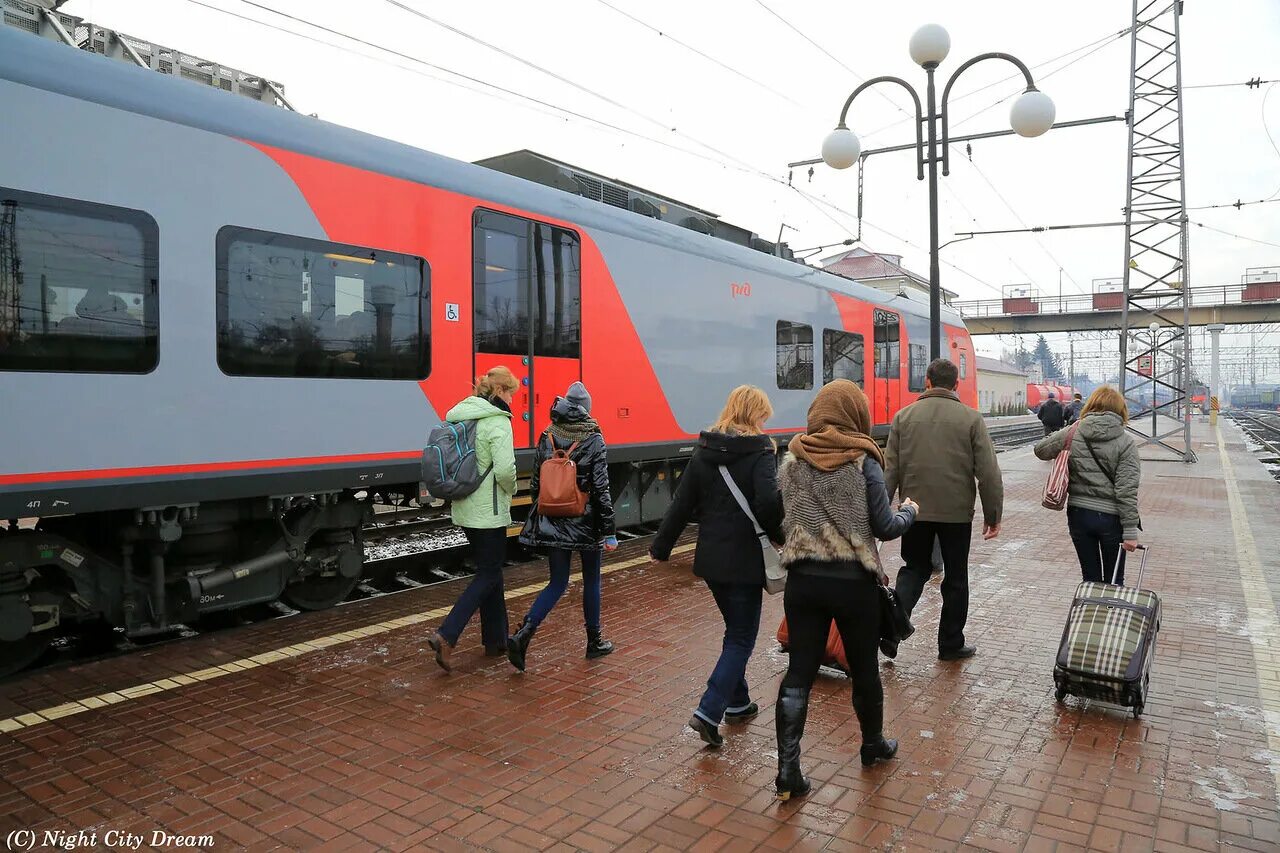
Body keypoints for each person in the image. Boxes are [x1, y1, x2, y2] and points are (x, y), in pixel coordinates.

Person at [773, 380, 917, 801]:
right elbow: (885, 527)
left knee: (799, 671)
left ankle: (787, 772)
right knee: (864, 668)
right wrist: (908, 512)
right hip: (852, 584)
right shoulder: (863, 460)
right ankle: (872, 745)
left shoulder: (794, 459)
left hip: (803, 583)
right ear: (856, 413)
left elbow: (782, 515)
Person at [650, 385, 782, 749]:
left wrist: (661, 547)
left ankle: (738, 704)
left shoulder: (704, 450)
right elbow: (769, 503)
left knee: (734, 632)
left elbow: (681, 503)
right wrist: (781, 535)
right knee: (741, 638)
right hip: (745, 561)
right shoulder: (761, 452)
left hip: (711, 561)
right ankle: (708, 712)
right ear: (755, 415)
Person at [885, 358, 1003, 662]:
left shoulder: (903, 418)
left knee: (914, 569)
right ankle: (950, 644)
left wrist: (881, 512)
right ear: (956, 385)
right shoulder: (971, 419)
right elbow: (988, 473)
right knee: (956, 577)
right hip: (956, 514)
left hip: (914, 511)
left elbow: (890, 470)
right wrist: (993, 515)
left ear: (927, 381)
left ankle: (892, 631)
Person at [509, 382, 619, 671]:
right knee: (591, 580)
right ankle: (594, 642)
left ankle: (524, 633)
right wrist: (609, 529)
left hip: (553, 518)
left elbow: (536, 484)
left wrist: (548, 512)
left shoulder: (547, 434)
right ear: (586, 409)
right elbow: (601, 487)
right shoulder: (593, 437)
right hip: (586, 522)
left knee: (557, 582)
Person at [428, 366, 519, 673]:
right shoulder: (498, 422)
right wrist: (513, 489)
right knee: (488, 575)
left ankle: (496, 640)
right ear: (499, 392)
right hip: (489, 513)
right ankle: (447, 634)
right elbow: (505, 470)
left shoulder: (464, 415)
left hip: (465, 508)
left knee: (491, 571)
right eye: (510, 392)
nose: (512, 398)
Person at [1034, 385, 1141, 584]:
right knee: (1114, 580)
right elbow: (1126, 490)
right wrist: (1130, 531)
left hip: (1079, 515)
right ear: (1121, 410)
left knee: (1090, 579)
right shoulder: (1126, 443)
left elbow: (1040, 450)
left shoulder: (1074, 431)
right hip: (1112, 519)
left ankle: (1089, 614)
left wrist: (1066, 436)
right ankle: (1109, 614)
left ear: (1090, 406)